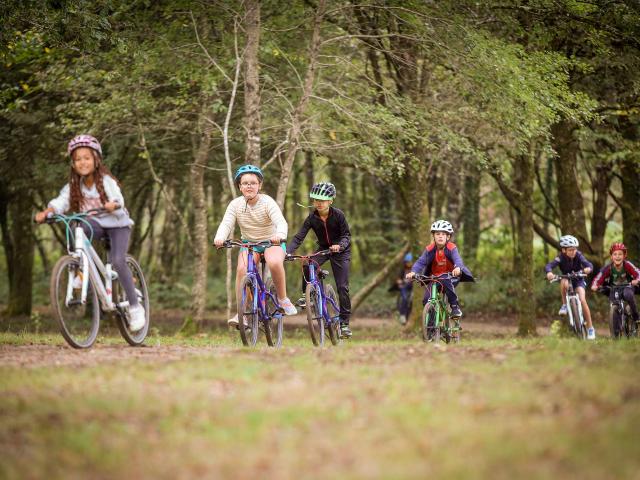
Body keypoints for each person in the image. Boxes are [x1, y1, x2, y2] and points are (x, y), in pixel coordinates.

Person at [35, 134, 145, 331]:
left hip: (117, 224)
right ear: (73, 163)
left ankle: (136, 308)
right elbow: (61, 201)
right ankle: (80, 268)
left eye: (86, 157)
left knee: (118, 261)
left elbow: (118, 198)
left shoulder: (106, 180)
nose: (82, 162)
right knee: (79, 225)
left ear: (96, 160)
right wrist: (48, 212)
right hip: (97, 224)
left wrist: (114, 204)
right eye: (78, 159)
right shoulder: (74, 186)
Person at [213, 165, 297, 326]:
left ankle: (282, 298)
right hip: (250, 244)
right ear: (239, 186)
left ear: (259, 185)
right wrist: (220, 238)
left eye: (253, 183)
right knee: (241, 270)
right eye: (245, 183)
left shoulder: (267, 202)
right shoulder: (235, 204)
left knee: (273, 262)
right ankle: (241, 314)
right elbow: (226, 224)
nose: (249, 186)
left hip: (272, 242)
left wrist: (279, 236)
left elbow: (281, 222)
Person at [287, 182, 353, 337]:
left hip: (341, 251)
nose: (318, 203)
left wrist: (340, 246)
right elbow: (299, 237)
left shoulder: (338, 215)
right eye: (315, 200)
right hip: (324, 249)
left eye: (322, 200)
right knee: (308, 262)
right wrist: (287, 252)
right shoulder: (311, 218)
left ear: (330, 201)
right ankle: (306, 295)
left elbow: (346, 236)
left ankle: (344, 324)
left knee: (343, 287)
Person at [405, 220, 474, 318]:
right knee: (426, 300)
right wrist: (413, 272)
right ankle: (432, 327)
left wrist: (458, 267)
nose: (440, 236)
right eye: (437, 234)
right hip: (435, 278)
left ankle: (455, 307)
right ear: (433, 236)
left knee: (445, 279)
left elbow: (457, 259)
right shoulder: (430, 249)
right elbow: (421, 261)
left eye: (443, 234)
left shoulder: (451, 248)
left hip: (451, 277)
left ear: (448, 237)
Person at [544, 235, 596, 339]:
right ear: (563, 250)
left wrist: (588, 269)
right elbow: (549, 265)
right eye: (570, 250)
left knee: (582, 299)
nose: (573, 252)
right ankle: (564, 305)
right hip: (566, 278)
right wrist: (549, 272)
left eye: (574, 249)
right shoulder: (560, 258)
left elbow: (588, 264)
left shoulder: (579, 255)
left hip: (578, 280)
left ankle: (590, 328)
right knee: (564, 280)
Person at [591, 242, 640, 329]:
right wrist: (595, 285)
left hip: (628, 286)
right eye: (615, 254)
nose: (617, 256)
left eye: (620, 254)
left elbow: (637, 272)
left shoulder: (627, 265)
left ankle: (636, 317)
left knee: (628, 295)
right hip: (614, 288)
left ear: (624, 256)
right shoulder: (608, 268)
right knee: (613, 301)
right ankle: (616, 329)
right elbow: (599, 277)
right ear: (611, 256)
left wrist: (637, 280)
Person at [392, 252, 414, 325]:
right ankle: (402, 315)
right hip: (404, 287)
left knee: (411, 301)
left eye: (410, 262)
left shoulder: (415, 269)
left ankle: (408, 316)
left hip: (412, 287)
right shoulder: (403, 270)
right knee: (404, 299)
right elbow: (398, 279)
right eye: (407, 262)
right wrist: (400, 281)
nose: (408, 263)